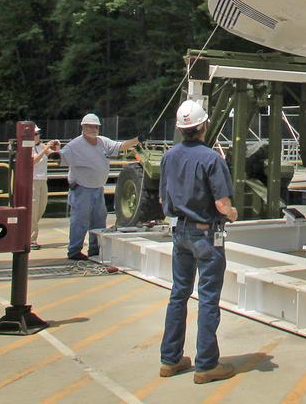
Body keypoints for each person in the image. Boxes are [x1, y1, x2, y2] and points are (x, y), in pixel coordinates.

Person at [158, 99, 237, 385]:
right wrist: (233, 213)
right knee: (208, 298)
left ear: (180, 128)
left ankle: (170, 359)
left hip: (179, 233)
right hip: (206, 234)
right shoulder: (211, 158)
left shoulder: (168, 157)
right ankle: (206, 365)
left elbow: (161, 199)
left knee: (178, 294)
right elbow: (221, 202)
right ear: (204, 126)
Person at [58, 112, 141, 260]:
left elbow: (120, 146)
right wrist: (51, 151)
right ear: (83, 127)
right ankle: (74, 251)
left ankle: (94, 249)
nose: (93, 129)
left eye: (95, 126)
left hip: (97, 188)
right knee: (79, 221)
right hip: (81, 189)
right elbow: (60, 156)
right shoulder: (75, 145)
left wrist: (137, 140)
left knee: (98, 221)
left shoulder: (103, 141)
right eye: (90, 126)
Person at [29, 125, 60, 249]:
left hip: (42, 180)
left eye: (38, 133)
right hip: (32, 180)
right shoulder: (28, 148)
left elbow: (56, 157)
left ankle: (29, 233)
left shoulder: (42, 147)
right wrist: (46, 147)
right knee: (33, 209)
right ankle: (31, 239)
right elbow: (33, 161)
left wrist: (57, 147)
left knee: (41, 208)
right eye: (35, 134)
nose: (37, 136)